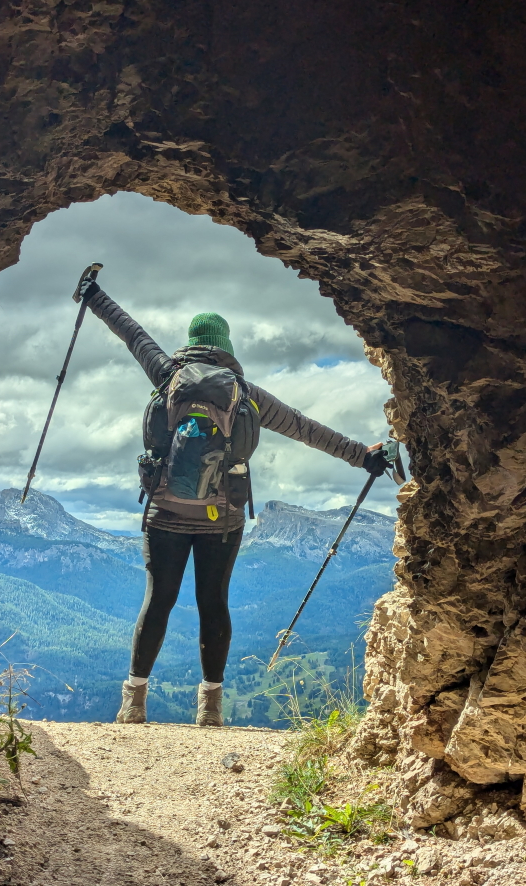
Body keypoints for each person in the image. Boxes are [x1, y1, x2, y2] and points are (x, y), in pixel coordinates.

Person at [78, 281, 386, 727]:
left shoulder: (167, 374)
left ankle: (134, 702)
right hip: (221, 516)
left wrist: (93, 295)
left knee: (158, 599)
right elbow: (304, 427)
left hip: (164, 512)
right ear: (225, 348)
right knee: (213, 601)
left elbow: (131, 332)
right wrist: (362, 455)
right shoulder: (244, 393)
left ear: (191, 344)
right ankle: (211, 708)